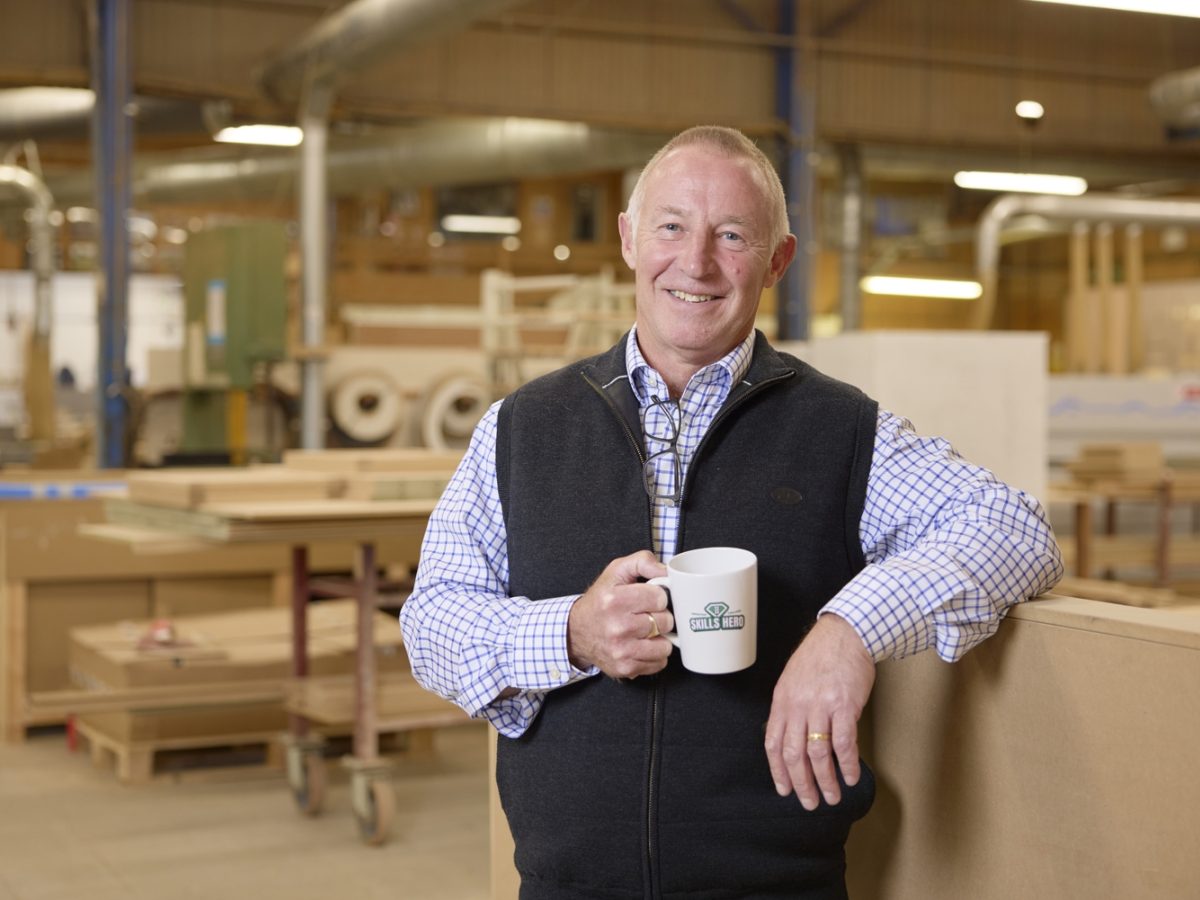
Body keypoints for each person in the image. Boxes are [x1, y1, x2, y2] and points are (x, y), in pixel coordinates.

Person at [400, 125, 1063, 899]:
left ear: (778, 260)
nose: (697, 262)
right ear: (628, 240)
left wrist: (851, 629)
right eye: (672, 226)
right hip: (567, 886)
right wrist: (572, 632)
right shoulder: (522, 427)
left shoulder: (841, 430)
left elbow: (1015, 527)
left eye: (733, 235)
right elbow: (433, 621)